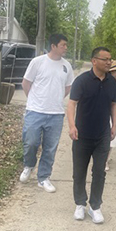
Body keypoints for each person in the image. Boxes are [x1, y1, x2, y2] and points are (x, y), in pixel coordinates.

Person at [67, 47, 116, 224]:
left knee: (99, 172)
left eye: (110, 59)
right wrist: (72, 126)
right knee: (79, 172)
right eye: (105, 59)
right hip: (82, 135)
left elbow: (114, 104)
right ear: (94, 61)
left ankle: (95, 206)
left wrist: (114, 125)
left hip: (102, 135)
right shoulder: (82, 81)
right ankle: (80, 204)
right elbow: (72, 104)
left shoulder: (112, 82)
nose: (109, 62)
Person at [19, 33, 74, 193]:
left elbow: (68, 87)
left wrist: (55, 98)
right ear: (53, 46)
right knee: (30, 142)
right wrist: (34, 100)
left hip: (56, 114)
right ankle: (29, 165)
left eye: (66, 45)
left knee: (50, 148)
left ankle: (43, 178)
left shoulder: (66, 66)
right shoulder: (38, 62)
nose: (65, 48)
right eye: (63, 45)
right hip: (35, 111)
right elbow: (26, 83)